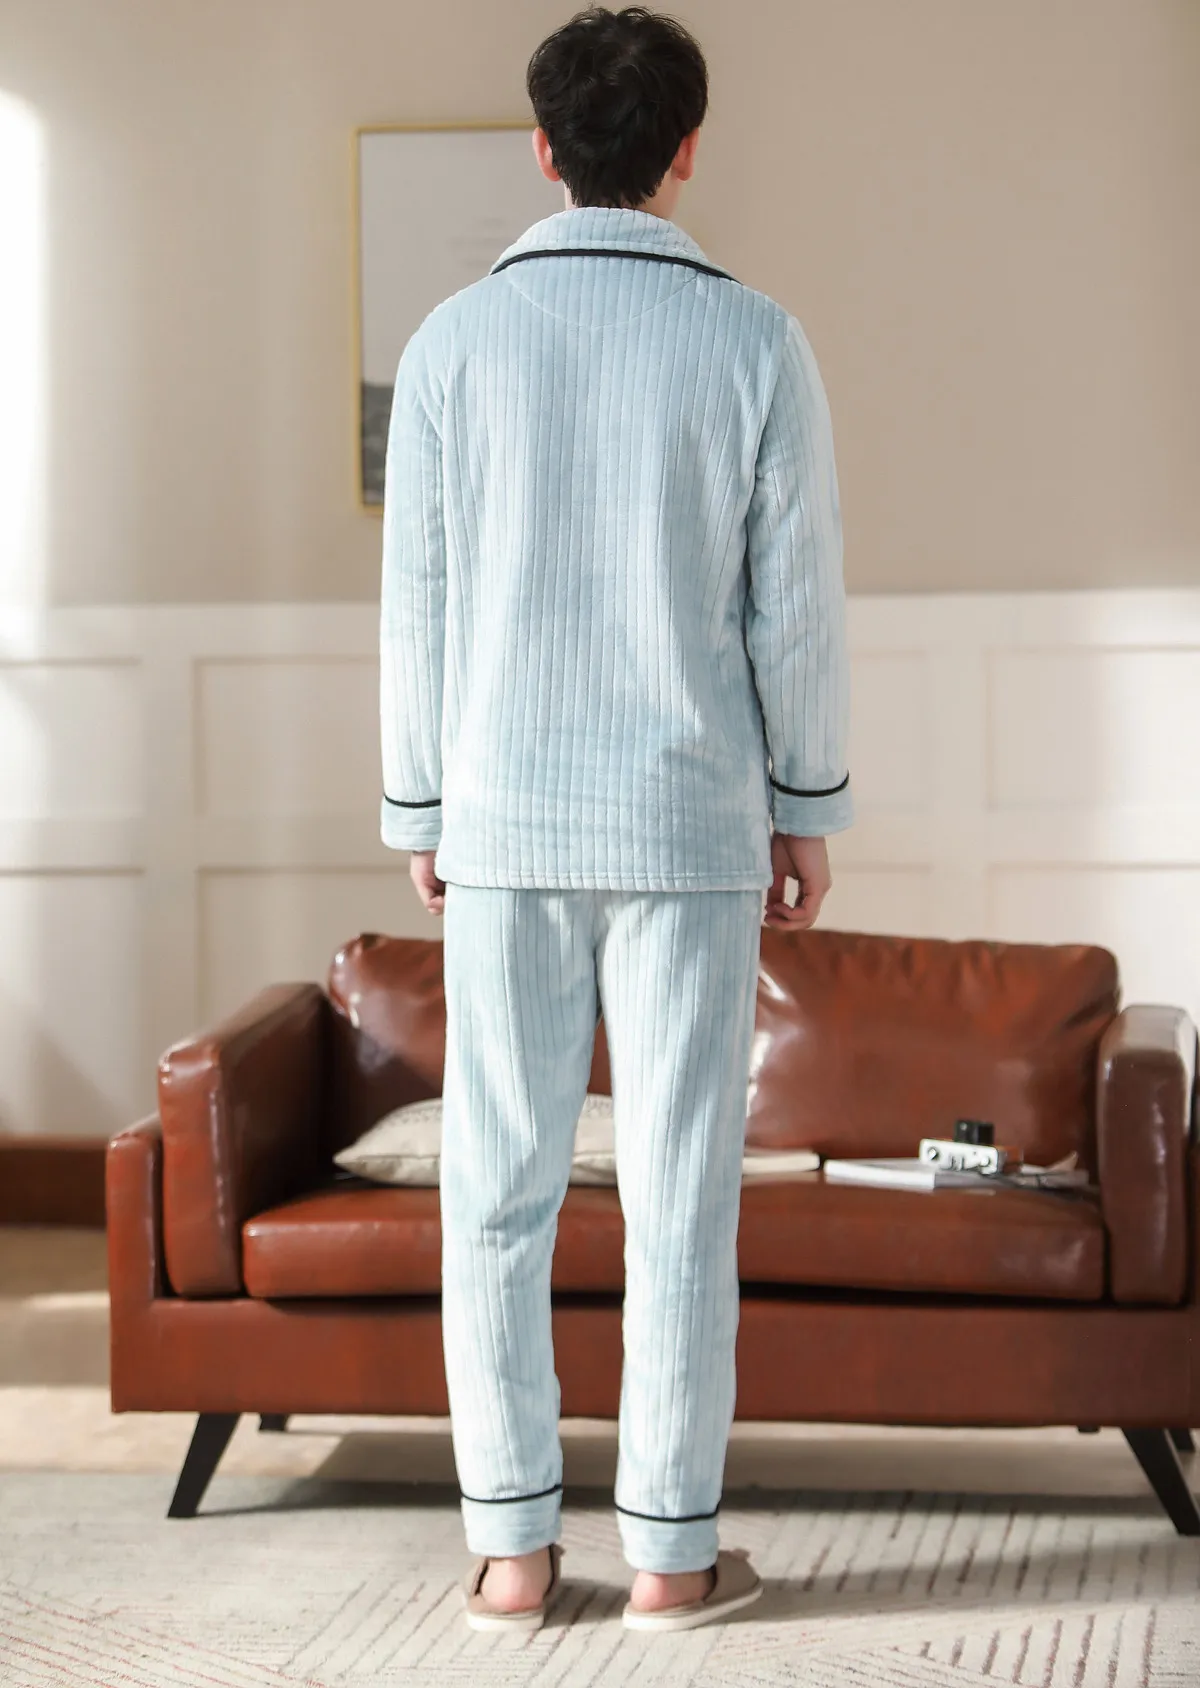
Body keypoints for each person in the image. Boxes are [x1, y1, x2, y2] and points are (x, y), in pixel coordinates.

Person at [379, 4, 853, 1633]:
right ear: (685, 150)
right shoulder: (757, 341)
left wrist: (420, 807)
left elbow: (419, 608)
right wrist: (804, 807)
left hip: (504, 821)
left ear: (543, 146)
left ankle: (513, 1554)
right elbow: (794, 610)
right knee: (681, 1194)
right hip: (689, 824)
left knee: (495, 1192)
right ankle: (669, 1555)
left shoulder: (451, 345)